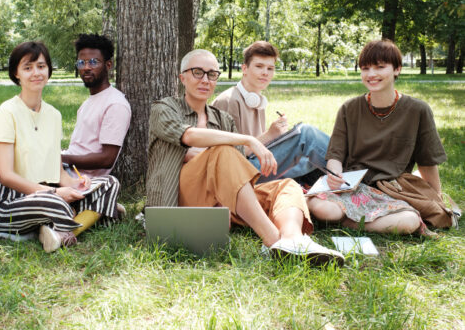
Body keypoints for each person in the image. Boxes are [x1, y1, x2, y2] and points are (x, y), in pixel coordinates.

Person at [146, 49, 344, 265]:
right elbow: (189, 136)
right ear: (182, 77)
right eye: (197, 72)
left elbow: (237, 165)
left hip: (222, 202)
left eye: (212, 74)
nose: (205, 80)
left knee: (286, 185)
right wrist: (248, 140)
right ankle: (275, 242)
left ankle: (293, 238)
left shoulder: (222, 119)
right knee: (223, 150)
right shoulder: (164, 108)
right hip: (182, 199)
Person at [0, 41, 121, 253]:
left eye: (41, 66)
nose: (36, 73)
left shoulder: (54, 115)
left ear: (48, 69)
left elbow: (59, 174)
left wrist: (76, 184)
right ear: (16, 74)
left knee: (109, 183)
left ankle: (60, 231)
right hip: (8, 201)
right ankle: (92, 214)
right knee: (55, 203)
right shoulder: (7, 112)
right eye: (27, 68)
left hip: (48, 190)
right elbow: (6, 175)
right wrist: (56, 193)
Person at [306, 40, 447, 234]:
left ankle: (350, 222)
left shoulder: (418, 110)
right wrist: (334, 175)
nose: (371, 74)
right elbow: (335, 155)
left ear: (397, 69)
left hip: (391, 190)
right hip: (353, 187)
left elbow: (427, 161)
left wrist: (435, 197)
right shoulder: (349, 108)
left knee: (409, 221)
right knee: (324, 210)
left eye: (380, 67)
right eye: (365, 68)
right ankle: (354, 219)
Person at [212, 41, 329, 183]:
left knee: (311, 154)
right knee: (306, 134)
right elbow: (227, 155)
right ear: (244, 69)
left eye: (270, 68)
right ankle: (353, 172)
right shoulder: (228, 100)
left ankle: (347, 179)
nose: (265, 73)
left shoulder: (257, 101)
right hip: (239, 173)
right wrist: (269, 135)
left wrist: (279, 137)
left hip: (259, 163)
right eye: (259, 66)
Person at [62, 34, 131, 177]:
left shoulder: (115, 104)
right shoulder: (88, 102)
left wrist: (62, 159)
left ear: (108, 65)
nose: (86, 67)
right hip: (66, 170)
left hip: (80, 179)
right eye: (81, 63)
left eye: (93, 62)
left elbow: (107, 159)